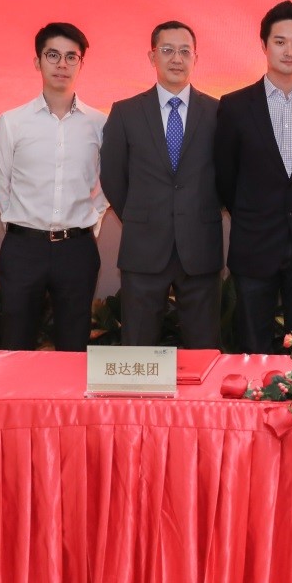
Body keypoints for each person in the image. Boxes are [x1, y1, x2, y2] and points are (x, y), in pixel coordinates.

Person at [215, 1, 292, 353]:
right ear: (264, 45)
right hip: (255, 244)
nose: (289, 51)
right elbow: (226, 176)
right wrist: (252, 212)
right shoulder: (235, 105)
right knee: (251, 346)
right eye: (280, 42)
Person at [101, 20, 222, 347]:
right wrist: (140, 216)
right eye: (167, 50)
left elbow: (228, 175)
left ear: (195, 58)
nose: (176, 59)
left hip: (200, 246)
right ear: (152, 56)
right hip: (144, 247)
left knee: (203, 349)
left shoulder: (217, 112)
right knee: (138, 347)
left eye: (185, 51)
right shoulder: (125, 112)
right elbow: (113, 176)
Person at [0, 22, 107, 352]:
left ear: (81, 64)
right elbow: (1, 185)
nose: (62, 64)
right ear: (37, 61)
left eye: (71, 57)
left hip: (77, 250)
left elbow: (107, 184)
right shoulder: (12, 122)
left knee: (74, 346)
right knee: (16, 344)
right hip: (23, 248)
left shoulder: (99, 123)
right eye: (53, 55)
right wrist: (20, 225)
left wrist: (91, 223)